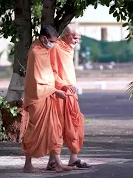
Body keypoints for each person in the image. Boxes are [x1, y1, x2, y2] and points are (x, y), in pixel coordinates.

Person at [21, 25, 75, 173]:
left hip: (49, 96)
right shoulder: (35, 53)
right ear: (44, 38)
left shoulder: (45, 50)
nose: (53, 44)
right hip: (38, 97)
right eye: (51, 41)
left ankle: (56, 162)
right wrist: (55, 91)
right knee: (33, 130)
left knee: (55, 128)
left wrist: (62, 85)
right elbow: (37, 80)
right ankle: (28, 165)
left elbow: (50, 74)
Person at [47, 25, 91, 170]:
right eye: (74, 37)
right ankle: (53, 161)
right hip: (59, 93)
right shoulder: (56, 48)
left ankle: (73, 158)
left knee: (76, 123)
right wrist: (63, 85)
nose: (76, 41)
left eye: (79, 38)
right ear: (65, 35)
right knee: (58, 126)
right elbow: (51, 71)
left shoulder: (68, 48)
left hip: (71, 94)